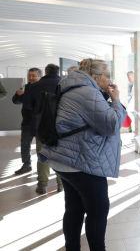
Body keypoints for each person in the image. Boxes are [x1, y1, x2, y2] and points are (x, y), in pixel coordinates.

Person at [38, 58, 126, 251]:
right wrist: (117, 100)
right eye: (107, 76)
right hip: (82, 161)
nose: (110, 79)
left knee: (74, 210)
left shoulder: (72, 87)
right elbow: (111, 125)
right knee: (98, 211)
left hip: (66, 159)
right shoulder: (87, 92)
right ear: (94, 77)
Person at [22, 64, 63, 194]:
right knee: (60, 156)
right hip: (60, 126)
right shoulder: (64, 84)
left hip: (41, 126)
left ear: (45, 72)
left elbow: (27, 105)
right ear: (58, 72)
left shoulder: (34, 86)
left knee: (42, 155)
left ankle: (42, 186)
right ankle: (61, 185)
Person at [12, 68, 42, 174]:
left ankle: (42, 168)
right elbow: (15, 101)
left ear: (40, 76)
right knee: (25, 144)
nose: (30, 78)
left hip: (40, 123)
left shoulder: (42, 88)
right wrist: (18, 95)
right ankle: (26, 165)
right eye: (29, 75)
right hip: (27, 122)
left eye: (33, 75)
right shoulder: (25, 87)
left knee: (41, 147)